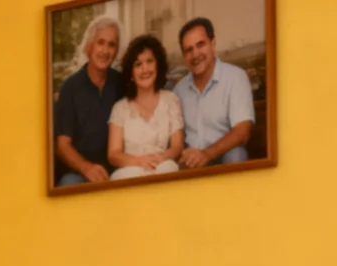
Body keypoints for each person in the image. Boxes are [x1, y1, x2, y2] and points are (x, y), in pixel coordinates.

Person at [173, 17, 255, 168]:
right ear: (184, 56)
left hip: (224, 156)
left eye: (200, 44)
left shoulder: (235, 77)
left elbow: (243, 132)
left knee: (235, 154)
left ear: (213, 43)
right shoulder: (179, 91)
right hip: (192, 161)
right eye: (189, 50)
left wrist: (207, 154)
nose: (195, 54)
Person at [54, 16, 124, 187]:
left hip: (117, 169)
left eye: (111, 44)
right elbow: (62, 145)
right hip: (78, 173)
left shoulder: (122, 83)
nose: (105, 51)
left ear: (116, 51)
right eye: (100, 42)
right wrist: (87, 168)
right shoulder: (70, 88)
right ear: (89, 46)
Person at [106, 35, 185, 180]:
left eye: (149, 61)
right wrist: (140, 162)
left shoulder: (171, 100)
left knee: (169, 170)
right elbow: (113, 154)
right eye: (138, 64)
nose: (145, 69)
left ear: (158, 65)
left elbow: (177, 146)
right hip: (130, 170)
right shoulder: (120, 108)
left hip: (163, 166)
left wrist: (161, 157)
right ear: (131, 73)